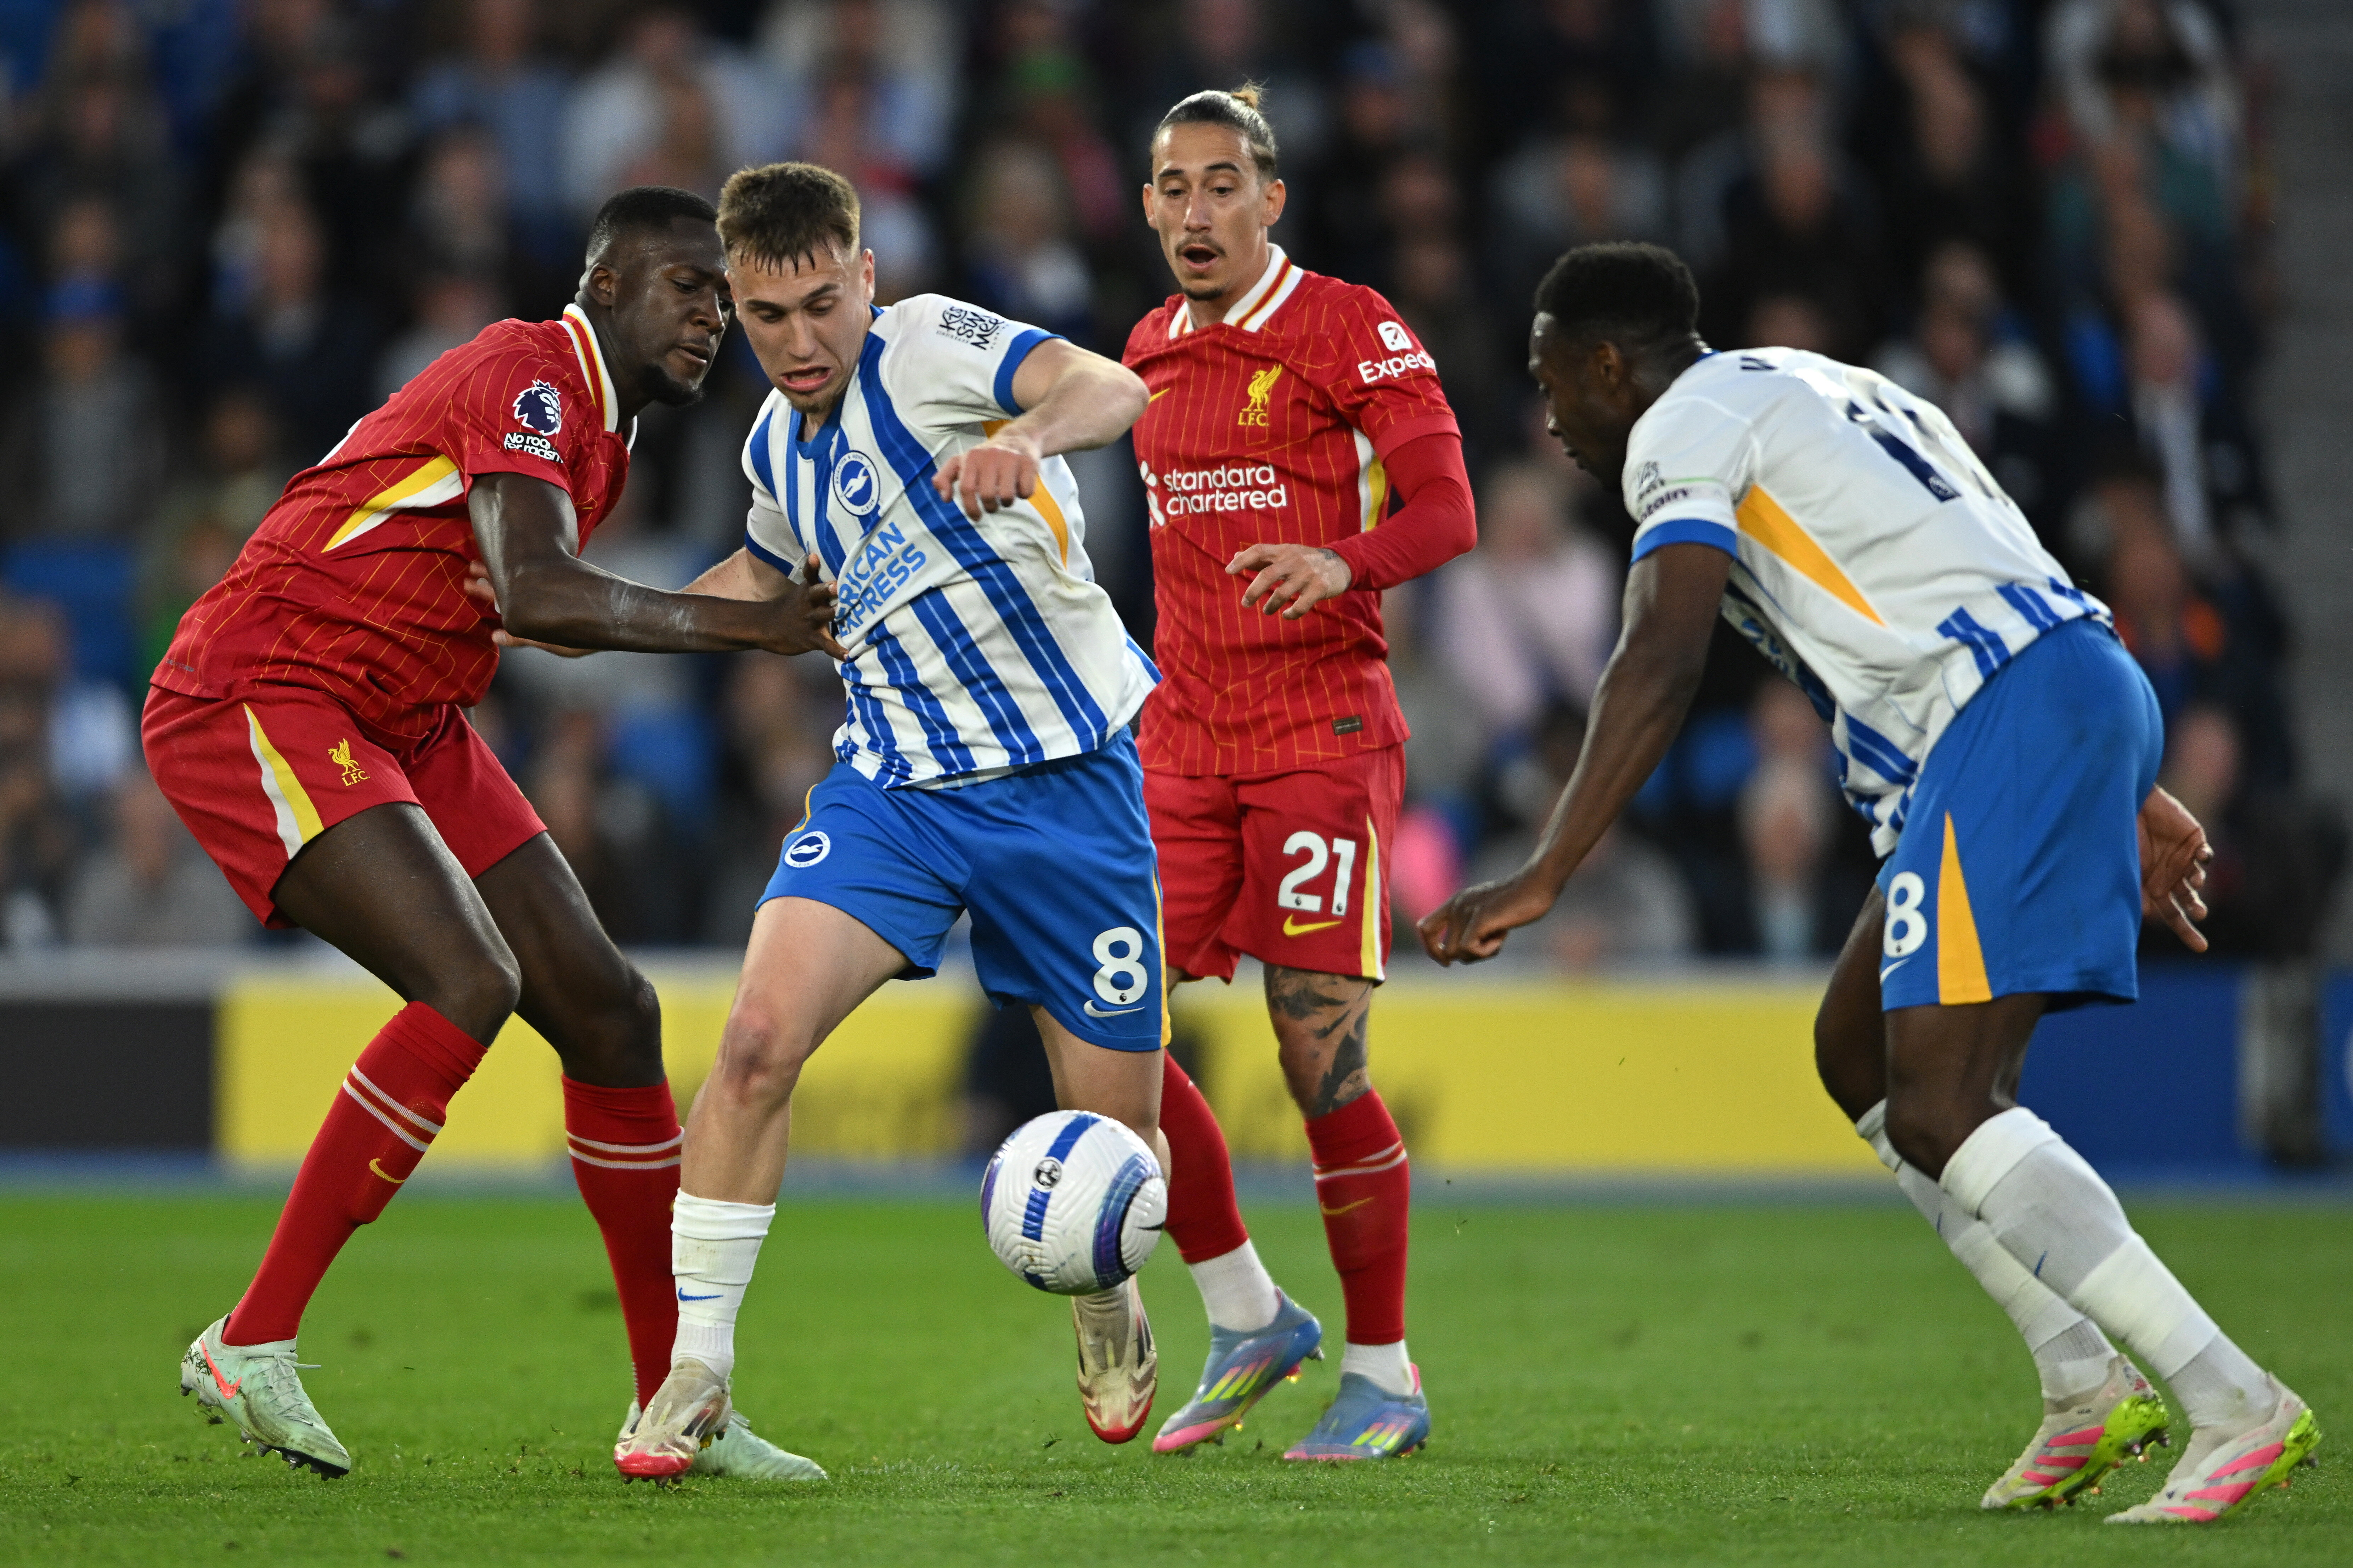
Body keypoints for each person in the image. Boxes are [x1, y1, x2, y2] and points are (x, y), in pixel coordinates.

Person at [1421, 242, 2319, 1523]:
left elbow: (1658, 651)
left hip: (2000, 713)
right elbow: (1977, 545)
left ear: (1606, 364)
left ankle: (2231, 1399)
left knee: (1945, 1098)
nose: (1548, 417)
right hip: (2050, 680)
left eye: (1550, 379)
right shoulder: (1820, 383)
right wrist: (2115, 759)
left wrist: (1545, 868)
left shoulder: (1679, 429)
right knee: (1859, 1057)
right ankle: (2081, 1378)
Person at [147, 187, 841, 1482]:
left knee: (609, 1009)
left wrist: (551, 604)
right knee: (470, 980)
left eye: (720, 297)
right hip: (271, 681)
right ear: (610, 284)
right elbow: (537, 588)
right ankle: (251, 1337)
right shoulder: (530, 373)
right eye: (689, 288)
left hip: (408, 707)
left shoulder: (605, 437)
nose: (713, 319)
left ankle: (671, 1402)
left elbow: (533, 602)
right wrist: (754, 625)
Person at [611, 162, 1165, 1476]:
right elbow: (758, 572)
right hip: (895, 790)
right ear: (735, 307)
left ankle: (1104, 1292)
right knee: (751, 1043)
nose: (798, 343)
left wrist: (1021, 442)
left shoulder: (928, 348)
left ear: (865, 277)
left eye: (820, 305)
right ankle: (697, 1367)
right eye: (764, 317)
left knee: (1112, 1145)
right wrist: (598, 619)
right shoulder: (769, 448)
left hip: (1063, 784)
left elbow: (1113, 386)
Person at [1119, 87, 1477, 1462]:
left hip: (1321, 728)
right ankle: (1246, 1312)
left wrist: (1346, 560)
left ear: (1271, 198)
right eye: (1171, 187)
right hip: (1182, 735)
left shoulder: (1345, 323)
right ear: (1147, 205)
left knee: (1314, 1046)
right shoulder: (1146, 345)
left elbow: (1445, 505)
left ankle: (1383, 1372)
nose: (1194, 212)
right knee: (1111, 1034)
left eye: (1220, 185)